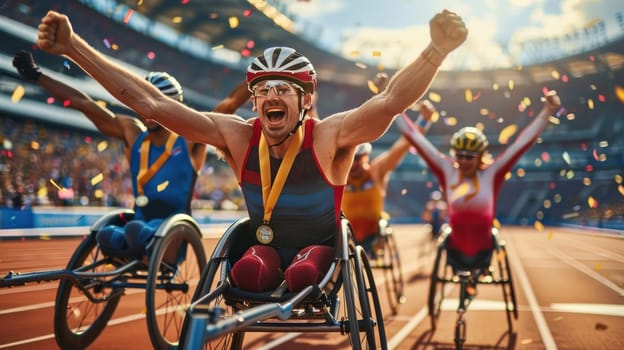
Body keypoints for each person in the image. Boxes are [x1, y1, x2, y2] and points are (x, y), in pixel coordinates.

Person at [35, 9, 467, 293]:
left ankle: (302, 269)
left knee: (302, 273)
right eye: (262, 89)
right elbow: (152, 104)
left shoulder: (329, 137)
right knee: (246, 272)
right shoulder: (238, 137)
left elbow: (390, 102)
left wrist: (436, 51)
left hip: (321, 251)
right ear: (255, 100)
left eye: (283, 88)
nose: (270, 96)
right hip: (263, 248)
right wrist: (74, 47)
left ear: (306, 100)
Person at [12, 50, 251, 257]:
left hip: (173, 227)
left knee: (136, 232)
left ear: (173, 108)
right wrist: (37, 75)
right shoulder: (132, 134)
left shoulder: (190, 140)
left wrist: (257, 76)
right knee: (106, 234)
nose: (148, 114)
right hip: (139, 218)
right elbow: (82, 102)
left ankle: (143, 244)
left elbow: (228, 104)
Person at [396, 90, 562, 295]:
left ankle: (477, 275)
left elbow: (521, 144)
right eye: (460, 155)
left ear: (481, 156)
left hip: (484, 251)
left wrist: (547, 110)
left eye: (470, 157)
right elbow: (414, 138)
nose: (464, 161)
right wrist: (392, 102)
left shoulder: (493, 173)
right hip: (453, 250)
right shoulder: (446, 170)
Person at [342, 70, 437, 254]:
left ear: (366, 157)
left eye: (357, 160)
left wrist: (424, 121)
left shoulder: (377, 170)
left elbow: (403, 145)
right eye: (350, 159)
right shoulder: (340, 171)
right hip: (346, 236)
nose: (352, 166)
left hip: (374, 235)